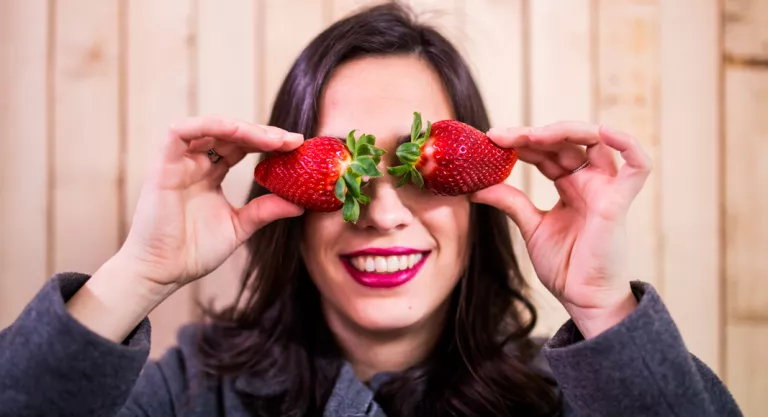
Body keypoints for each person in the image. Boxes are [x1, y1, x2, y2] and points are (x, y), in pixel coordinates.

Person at [0, 3, 742, 417]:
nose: (383, 210)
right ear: (284, 194)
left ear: (477, 195)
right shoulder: (189, 390)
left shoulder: (573, 397)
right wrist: (140, 271)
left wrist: (604, 306)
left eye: (420, 167)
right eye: (345, 173)